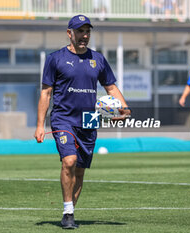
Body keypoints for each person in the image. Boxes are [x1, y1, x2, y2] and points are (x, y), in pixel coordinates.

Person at [34, 15, 130, 229]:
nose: (84, 35)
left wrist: (124, 107)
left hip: (89, 120)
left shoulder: (98, 59)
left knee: (79, 170)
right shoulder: (55, 59)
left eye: (87, 31)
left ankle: (70, 211)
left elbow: (111, 88)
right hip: (62, 118)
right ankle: (68, 212)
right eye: (80, 31)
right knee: (69, 161)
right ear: (70, 33)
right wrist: (40, 124)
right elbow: (46, 93)